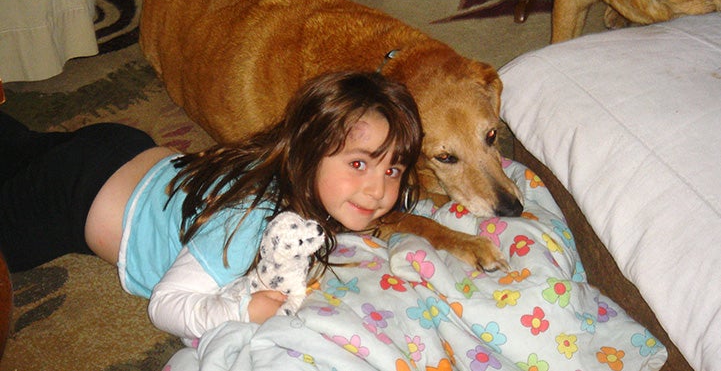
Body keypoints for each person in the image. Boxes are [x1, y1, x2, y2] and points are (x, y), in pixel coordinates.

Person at [0, 71, 423, 341]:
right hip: (71, 194)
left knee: (18, 148)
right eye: (358, 163)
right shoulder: (246, 223)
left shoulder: (294, 169)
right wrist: (237, 310)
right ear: (310, 149)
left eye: (393, 170)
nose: (376, 191)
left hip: (121, 148)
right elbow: (166, 304)